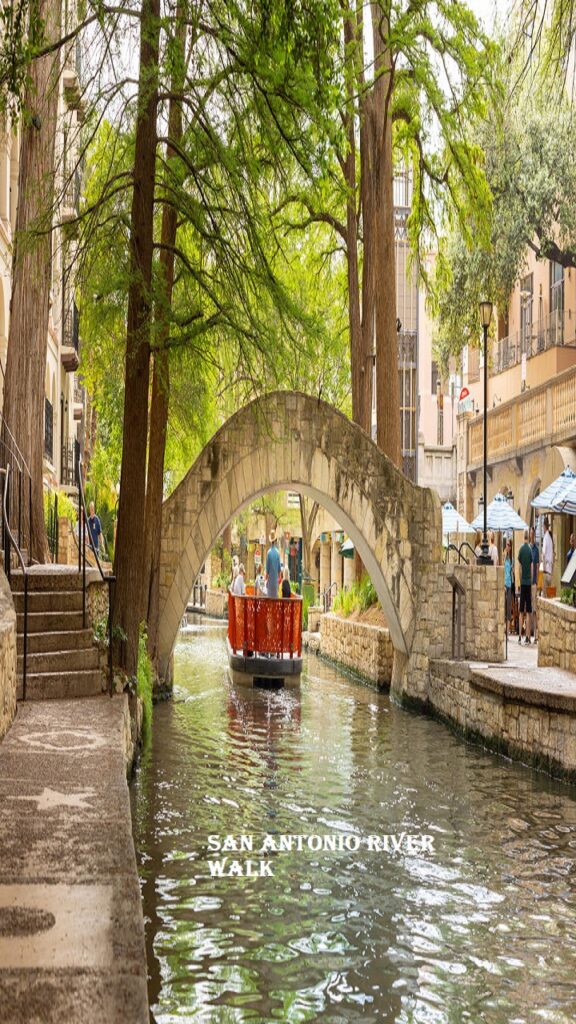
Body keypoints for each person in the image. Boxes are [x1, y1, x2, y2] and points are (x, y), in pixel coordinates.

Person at [518, 530, 533, 644]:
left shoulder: (521, 549)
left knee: (520, 611)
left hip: (523, 583)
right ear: (529, 537)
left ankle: (519, 635)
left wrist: (520, 578)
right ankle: (528, 636)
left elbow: (519, 567)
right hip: (528, 583)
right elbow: (532, 567)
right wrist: (531, 579)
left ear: (523, 537)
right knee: (528, 611)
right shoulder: (530, 550)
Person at [530, 526, 539, 643]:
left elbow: (537, 565)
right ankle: (530, 633)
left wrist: (536, 581)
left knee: (535, 609)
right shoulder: (527, 548)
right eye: (530, 533)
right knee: (529, 609)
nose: (531, 535)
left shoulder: (536, 549)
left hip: (534, 583)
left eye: (533, 533)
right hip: (527, 582)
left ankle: (536, 634)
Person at [265, 531, 281, 598]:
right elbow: (279, 570)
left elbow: (267, 571)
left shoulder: (268, 553)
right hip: (275, 583)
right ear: (275, 540)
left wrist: (265, 580)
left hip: (270, 583)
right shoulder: (278, 553)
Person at [504, 538, 514, 635]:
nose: (508, 546)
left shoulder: (511, 559)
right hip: (504, 585)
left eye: (509, 545)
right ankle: (503, 629)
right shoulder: (504, 556)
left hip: (509, 584)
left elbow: (510, 573)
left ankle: (507, 630)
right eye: (507, 544)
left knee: (508, 608)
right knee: (503, 606)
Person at [542, 518, 554, 595]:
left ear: (544, 526)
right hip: (550, 571)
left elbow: (543, 553)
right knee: (550, 595)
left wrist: (542, 568)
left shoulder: (546, 538)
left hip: (546, 571)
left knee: (545, 597)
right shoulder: (550, 538)